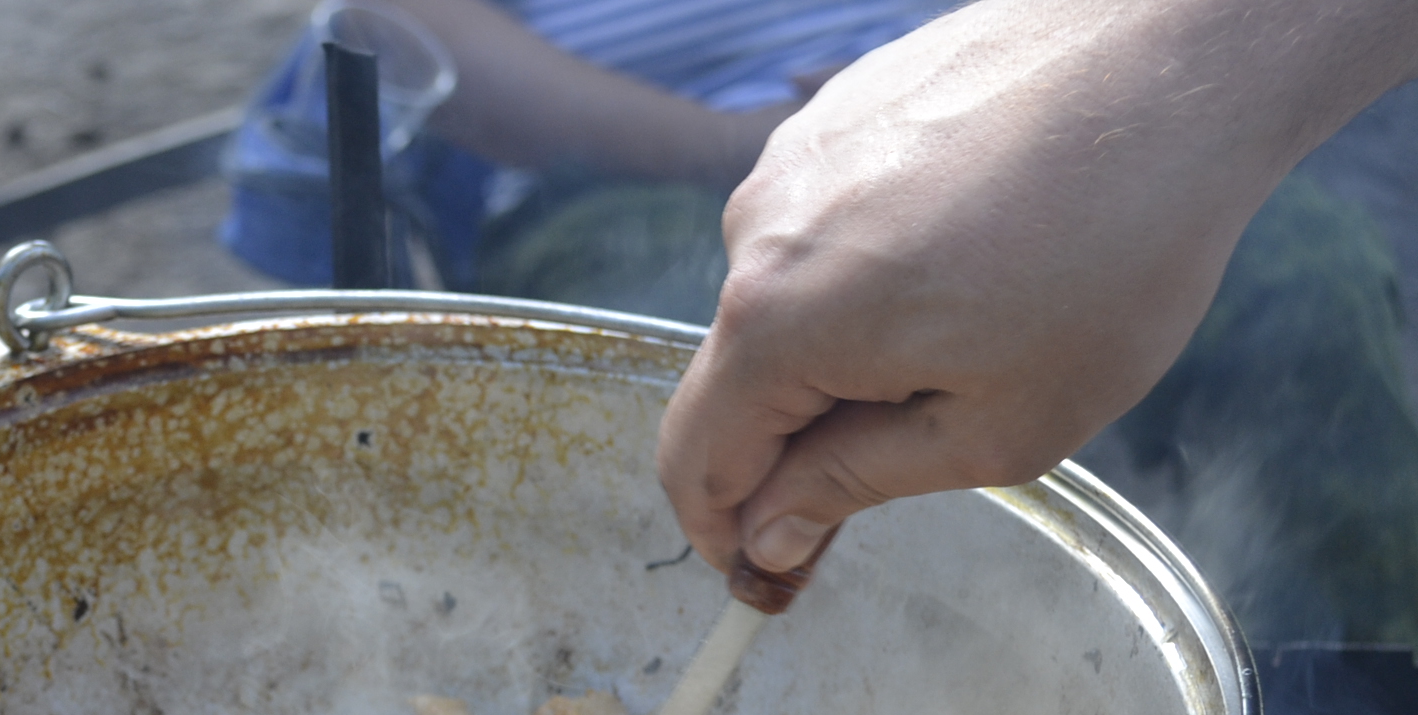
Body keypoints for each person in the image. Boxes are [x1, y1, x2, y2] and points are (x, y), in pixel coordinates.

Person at [223, 0, 1418, 641]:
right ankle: (686, 688)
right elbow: (397, 23)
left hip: (1051, 120)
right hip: (653, 166)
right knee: (672, 373)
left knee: (1307, 281)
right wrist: (743, 150)